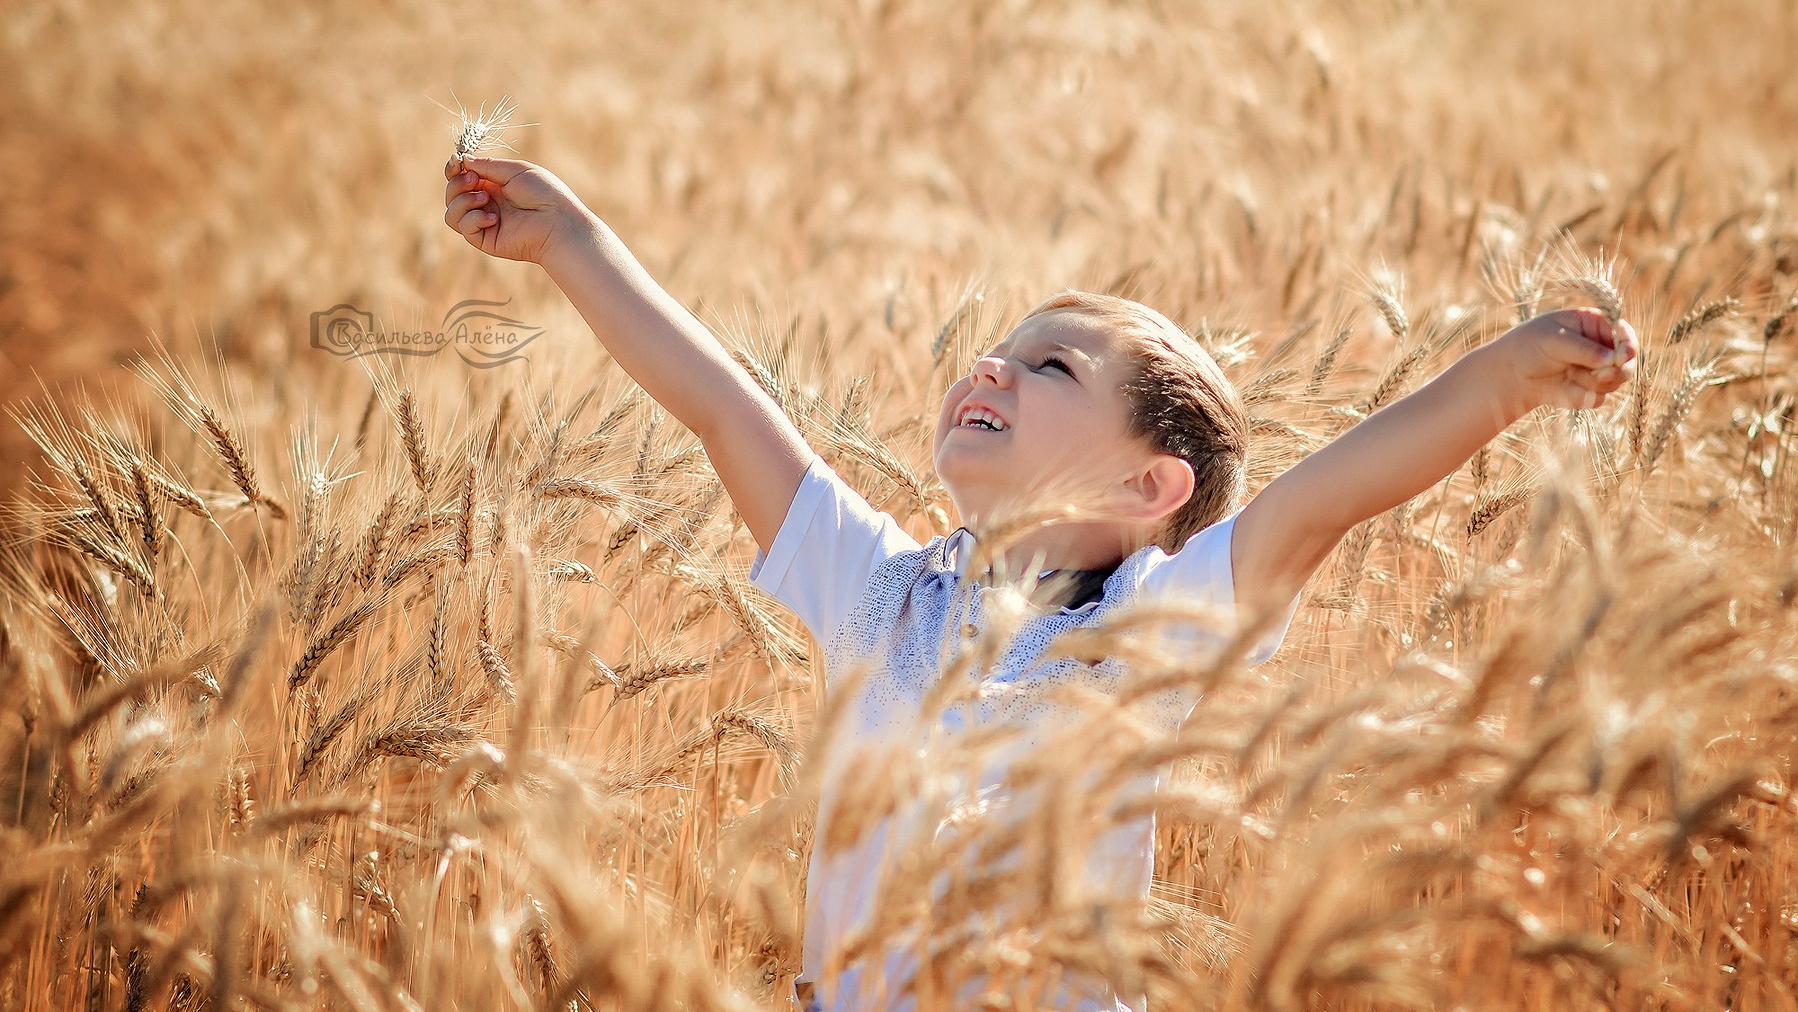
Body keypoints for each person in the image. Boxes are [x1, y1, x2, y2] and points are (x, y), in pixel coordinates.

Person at [443, 155, 1638, 1011]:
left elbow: (1326, 496)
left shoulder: (1145, 635)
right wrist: (570, 243)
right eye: (998, 349)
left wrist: (1511, 374)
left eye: (1049, 364)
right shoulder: (880, 595)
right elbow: (716, 403)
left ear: (1147, 490)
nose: (992, 365)